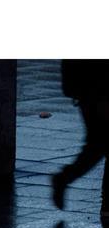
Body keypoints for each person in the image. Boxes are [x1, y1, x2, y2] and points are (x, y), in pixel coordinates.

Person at [51, 60, 109, 219]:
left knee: (97, 144)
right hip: (97, 90)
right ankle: (64, 178)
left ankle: (64, 178)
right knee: (98, 144)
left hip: (91, 89)